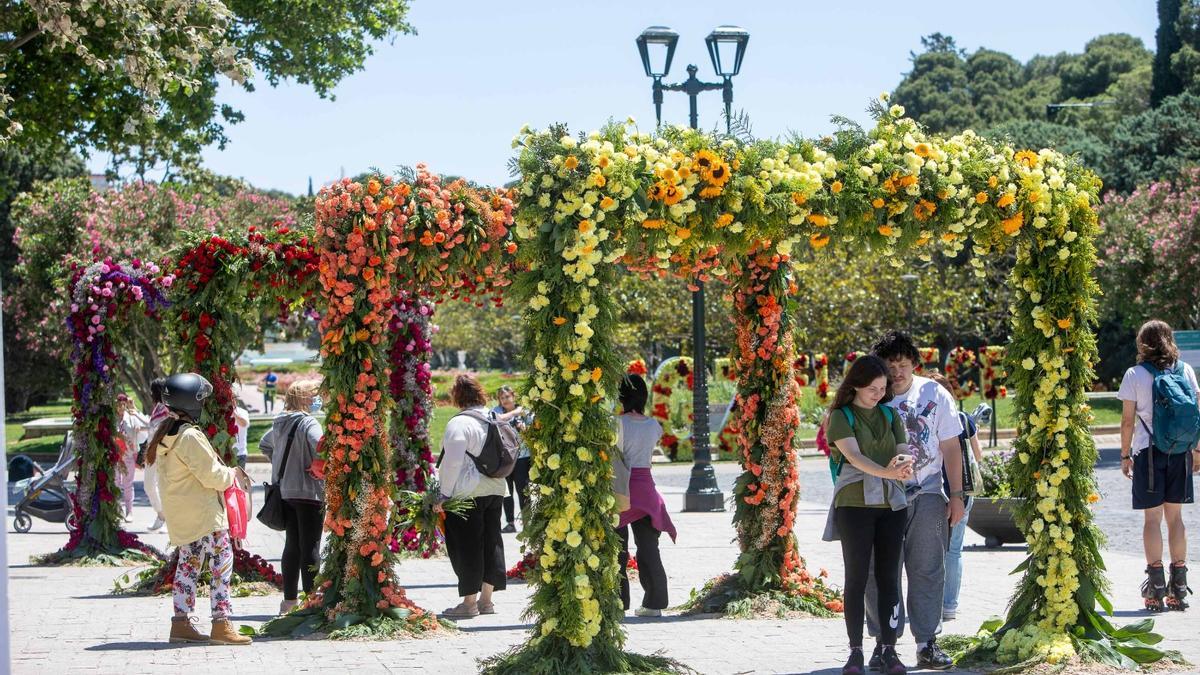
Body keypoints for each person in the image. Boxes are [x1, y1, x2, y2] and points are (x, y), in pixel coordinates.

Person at [863, 331, 963, 671]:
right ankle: (883, 643)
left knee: (928, 567)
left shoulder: (934, 393)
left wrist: (958, 495)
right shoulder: (870, 397)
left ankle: (927, 643)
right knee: (880, 571)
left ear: (914, 365)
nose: (897, 373)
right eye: (890, 366)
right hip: (880, 498)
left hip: (929, 491)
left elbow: (951, 447)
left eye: (903, 365)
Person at [822, 355, 913, 675]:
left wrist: (903, 463)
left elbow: (903, 449)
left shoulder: (890, 415)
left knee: (890, 578)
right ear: (856, 385)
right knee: (857, 578)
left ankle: (888, 649)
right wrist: (889, 474)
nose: (879, 394)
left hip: (891, 507)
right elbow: (855, 457)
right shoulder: (841, 417)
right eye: (873, 388)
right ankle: (855, 651)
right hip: (854, 505)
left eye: (883, 388)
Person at [146, 373, 252, 646]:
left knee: (188, 566)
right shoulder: (190, 436)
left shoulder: (167, 434)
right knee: (222, 566)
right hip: (205, 516)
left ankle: (180, 623)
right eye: (200, 400)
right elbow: (213, 476)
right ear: (191, 402)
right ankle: (221, 624)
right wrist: (233, 474)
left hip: (183, 516)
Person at [1117, 319, 1199, 611]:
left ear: (1142, 343)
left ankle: (1156, 586)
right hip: (1180, 452)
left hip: (1148, 453)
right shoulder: (1185, 370)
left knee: (1152, 520)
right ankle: (1179, 586)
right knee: (1175, 519)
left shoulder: (1134, 374)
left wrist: (1125, 455)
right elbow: (1196, 412)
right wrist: (1197, 450)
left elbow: (1128, 421)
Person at [435, 374, 507, 619]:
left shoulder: (459, 423)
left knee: (467, 546)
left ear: (456, 395)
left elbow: (453, 461)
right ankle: (487, 601)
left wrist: (443, 493)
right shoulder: (494, 417)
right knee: (492, 542)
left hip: (467, 492)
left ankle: (468, 603)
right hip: (496, 487)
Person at [611, 373, 677, 617]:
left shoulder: (617, 424)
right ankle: (654, 603)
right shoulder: (654, 425)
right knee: (649, 547)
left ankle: (618, 603)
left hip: (621, 488)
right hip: (647, 489)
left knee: (617, 549)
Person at [260, 380, 325, 615]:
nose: (318, 400)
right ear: (305, 399)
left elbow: (264, 444)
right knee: (311, 546)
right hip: (309, 491)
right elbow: (323, 445)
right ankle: (311, 602)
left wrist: (281, 466)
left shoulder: (280, 422)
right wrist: (316, 464)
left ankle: (288, 602)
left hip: (286, 491)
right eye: (315, 396)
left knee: (292, 545)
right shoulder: (309, 422)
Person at [928, 373, 984, 622]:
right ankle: (949, 606)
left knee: (931, 549)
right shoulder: (964, 419)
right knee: (954, 550)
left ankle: (930, 601)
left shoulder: (926, 417)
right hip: (962, 488)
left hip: (935, 488)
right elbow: (978, 455)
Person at [493, 386, 531, 533]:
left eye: (508, 396)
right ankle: (510, 523)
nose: (505, 400)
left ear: (513, 397)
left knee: (523, 491)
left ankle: (527, 523)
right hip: (504, 458)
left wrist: (523, 427)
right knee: (507, 492)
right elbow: (495, 420)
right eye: (502, 398)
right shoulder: (497, 411)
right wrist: (515, 413)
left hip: (522, 457)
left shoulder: (525, 412)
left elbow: (534, 429)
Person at [116, 394, 149, 522]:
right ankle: (117, 509)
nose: (120, 407)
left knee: (127, 484)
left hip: (128, 454)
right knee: (115, 483)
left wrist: (133, 406)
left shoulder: (131, 417)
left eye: (123, 404)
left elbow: (144, 424)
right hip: (115, 455)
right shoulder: (112, 419)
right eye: (118, 404)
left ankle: (129, 511)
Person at [144, 378, 171, 532]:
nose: (149, 393)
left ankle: (166, 518)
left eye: (151, 390)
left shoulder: (167, 409)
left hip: (162, 451)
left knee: (163, 486)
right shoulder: (157, 409)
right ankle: (162, 515)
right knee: (149, 485)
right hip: (151, 452)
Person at [233, 403, 251, 470]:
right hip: (226, 454)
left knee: (240, 479)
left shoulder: (242, 412)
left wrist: (234, 414)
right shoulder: (223, 412)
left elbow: (244, 424)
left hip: (240, 453)